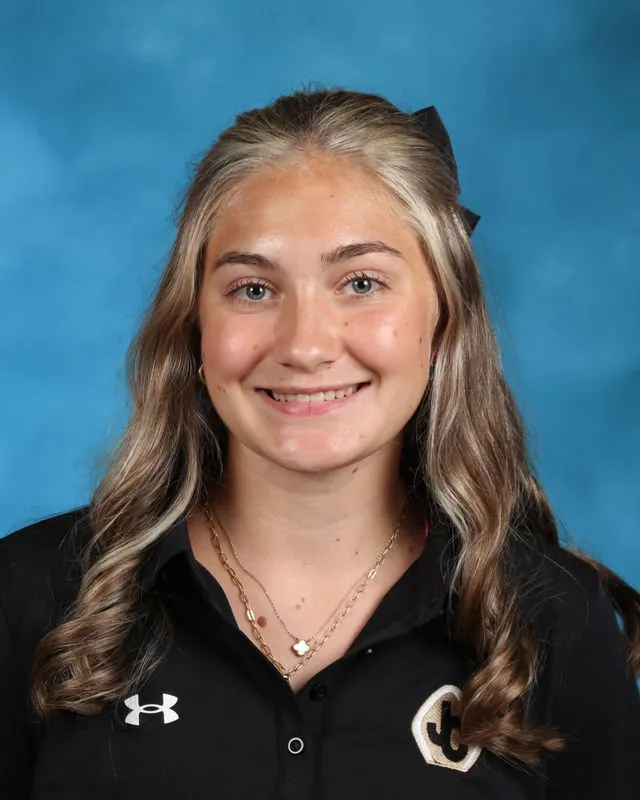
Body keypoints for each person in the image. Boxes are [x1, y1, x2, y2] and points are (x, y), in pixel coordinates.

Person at [1, 87, 639, 799]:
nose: (305, 346)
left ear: (444, 317)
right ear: (192, 325)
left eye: (361, 282)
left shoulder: (554, 618)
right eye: (251, 289)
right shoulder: (30, 598)